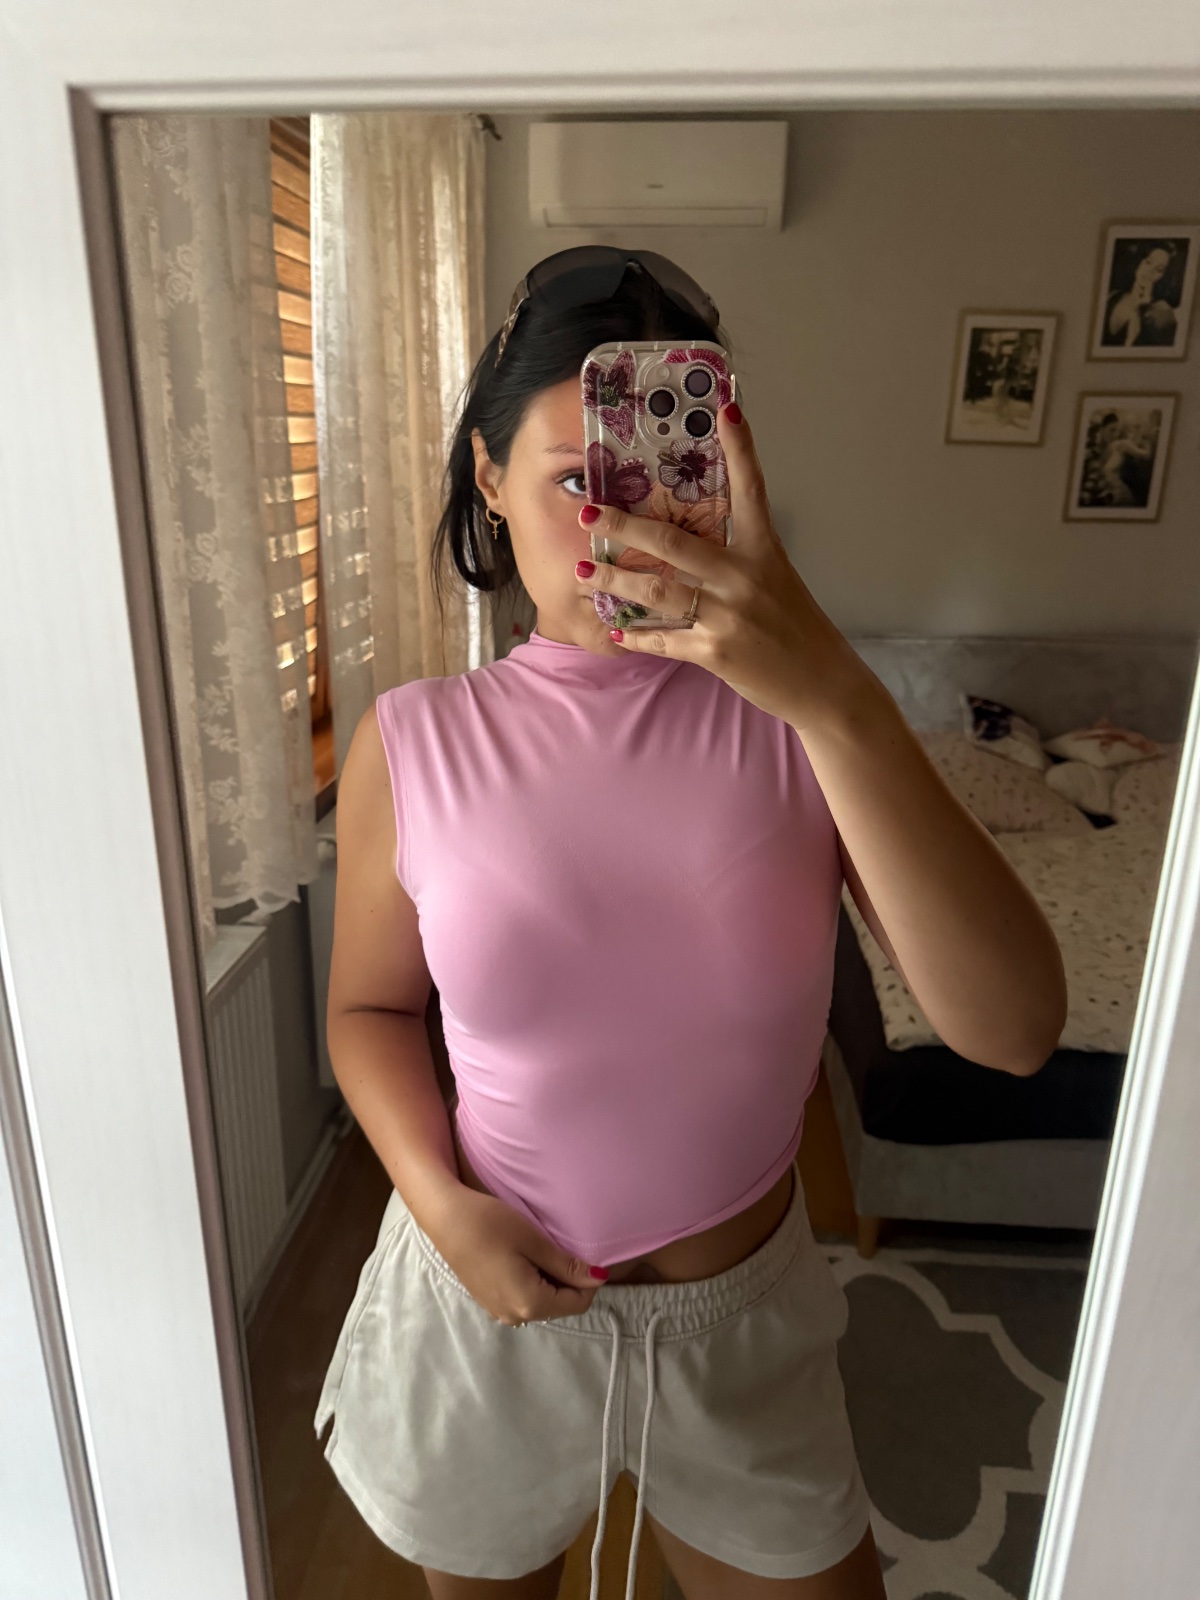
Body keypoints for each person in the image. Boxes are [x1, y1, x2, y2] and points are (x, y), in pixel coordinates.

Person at [313, 246, 1068, 1600]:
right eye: (574, 478)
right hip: (484, 1306)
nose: (623, 525)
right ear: (488, 477)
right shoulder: (414, 743)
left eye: (667, 474)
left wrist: (831, 689)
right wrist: (439, 1206)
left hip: (743, 1337)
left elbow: (1014, 1031)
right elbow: (370, 1008)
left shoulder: (805, 726)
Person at [1102, 241, 1180, 348]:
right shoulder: (1112, 296)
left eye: (1158, 269)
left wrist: (1137, 311)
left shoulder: (1161, 314)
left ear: (1165, 277)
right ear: (1139, 262)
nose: (1149, 271)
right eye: (1148, 262)